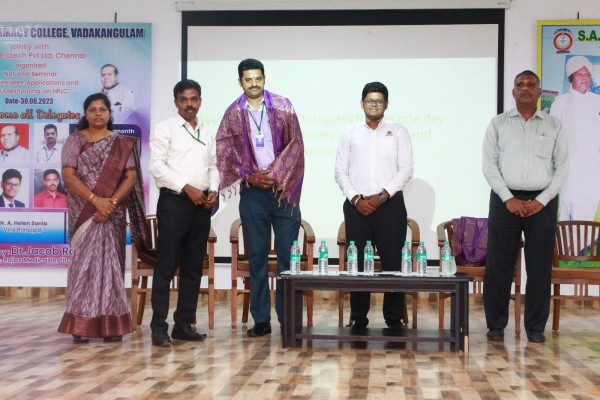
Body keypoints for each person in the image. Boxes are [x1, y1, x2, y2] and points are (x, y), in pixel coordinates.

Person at [217, 58, 304, 337]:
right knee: (256, 257)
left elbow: (296, 147)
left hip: (283, 191)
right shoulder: (232, 114)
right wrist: (250, 176)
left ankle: (289, 318)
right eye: (248, 79)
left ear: (264, 79)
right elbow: (225, 154)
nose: (253, 84)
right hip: (252, 193)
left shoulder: (283, 106)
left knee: (289, 259)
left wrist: (275, 174)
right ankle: (262, 320)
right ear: (240, 82)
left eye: (258, 78)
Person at [482, 70, 568, 343]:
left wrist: (541, 200)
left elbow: (562, 168)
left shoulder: (554, 125)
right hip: (504, 200)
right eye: (520, 84)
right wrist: (508, 198)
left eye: (531, 84)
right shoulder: (498, 124)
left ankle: (535, 328)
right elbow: (489, 165)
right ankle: (496, 326)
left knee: (539, 267)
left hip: (543, 202)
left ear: (539, 91)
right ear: (513, 92)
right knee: (499, 265)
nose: (525, 88)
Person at [57, 93, 148, 343]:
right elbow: (68, 175)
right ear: (85, 114)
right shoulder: (75, 140)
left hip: (112, 213)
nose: (98, 113)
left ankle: (112, 323)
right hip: (84, 212)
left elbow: (130, 176)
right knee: (83, 266)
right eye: (92, 109)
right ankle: (80, 324)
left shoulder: (120, 142)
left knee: (111, 265)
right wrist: (96, 200)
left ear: (109, 113)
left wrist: (111, 203)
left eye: (102, 109)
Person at [334, 82, 414, 329]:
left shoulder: (399, 132)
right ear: (362, 104)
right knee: (358, 264)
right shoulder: (350, 133)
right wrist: (356, 199)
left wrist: (382, 196)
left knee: (392, 262)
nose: (374, 105)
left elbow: (406, 169)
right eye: (370, 100)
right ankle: (358, 318)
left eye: (379, 101)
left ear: (386, 105)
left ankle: (394, 318)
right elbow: (340, 171)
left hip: (389, 205)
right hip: (357, 207)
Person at [149, 79, 218, 347]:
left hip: (201, 206)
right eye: (184, 100)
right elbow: (157, 166)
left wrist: (214, 189)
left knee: (192, 267)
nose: (189, 104)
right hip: (174, 202)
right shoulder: (165, 129)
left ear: (200, 101)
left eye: (194, 99)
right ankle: (158, 328)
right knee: (166, 265)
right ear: (176, 102)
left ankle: (183, 325)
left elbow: (213, 166)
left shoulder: (207, 131)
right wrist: (186, 188)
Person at [549, 56, 600, 221]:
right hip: (569, 166)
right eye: (580, 75)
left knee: (588, 208)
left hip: (592, 167)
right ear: (571, 77)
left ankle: (584, 239)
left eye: (587, 75)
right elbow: (553, 137)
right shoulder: (560, 103)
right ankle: (567, 239)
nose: (585, 78)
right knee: (567, 207)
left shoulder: (597, 101)